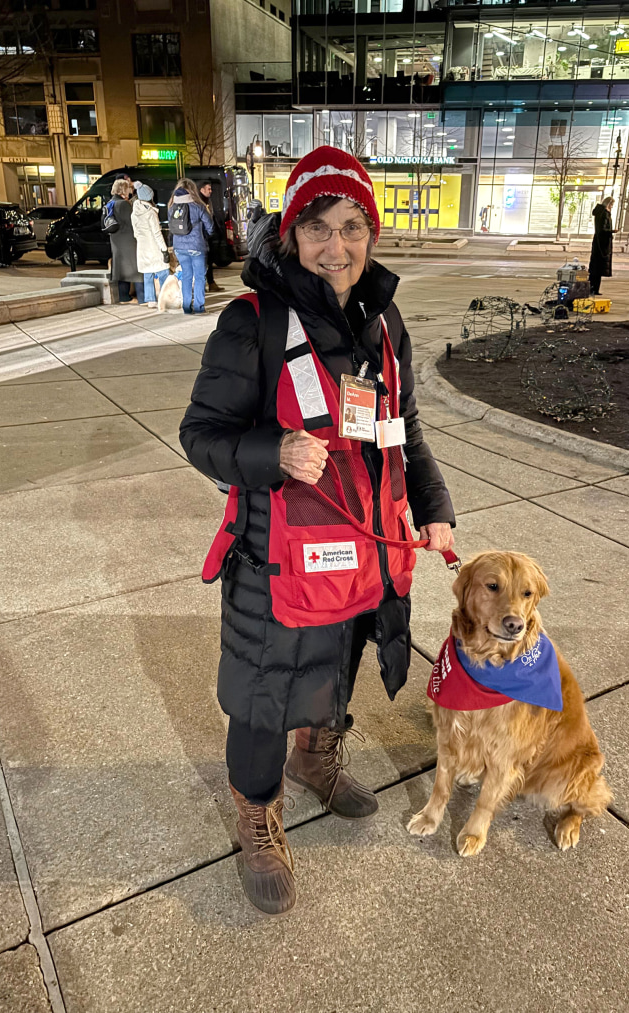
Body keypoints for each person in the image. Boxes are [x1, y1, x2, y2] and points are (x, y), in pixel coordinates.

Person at [179, 146, 455, 916]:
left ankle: (318, 758)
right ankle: (256, 811)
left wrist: (433, 508)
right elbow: (200, 434)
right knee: (265, 695)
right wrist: (273, 451)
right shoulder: (252, 322)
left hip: (361, 552)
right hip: (274, 560)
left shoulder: (383, 317)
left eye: (352, 227)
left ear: (370, 232)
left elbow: (405, 428)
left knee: (336, 671)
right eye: (319, 230)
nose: (337, 247)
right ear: (290, 235)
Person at [168, 179, 215, 314]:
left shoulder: (172, 207)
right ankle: (199, 307)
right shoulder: (198, 206)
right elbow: (210, 226)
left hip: (179, 247)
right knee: (200, 277)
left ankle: (187, 307)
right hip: (196, 246)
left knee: (187, 275)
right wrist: (206, 235)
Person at [131, 181, 170, 308]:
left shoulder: (134, 212)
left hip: (142, 247)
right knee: (163, 271)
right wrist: (164, 249)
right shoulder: (150, 212)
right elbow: (157, 233)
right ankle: (165, 297)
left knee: (148, 273)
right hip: (154, 247)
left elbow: (135, 233)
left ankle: (151, 299)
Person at [108, 178, 144, 304]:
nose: (130, 190)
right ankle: (142, 297)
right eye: (129, 188)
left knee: (121, 269)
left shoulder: (111, 203)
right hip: (128, 241)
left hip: (116, 240)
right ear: (124, 189)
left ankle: (123, 296)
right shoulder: (123, 204)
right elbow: (133, 222)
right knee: (136, 269)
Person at [198, 180, 224, 293]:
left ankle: (211, 282)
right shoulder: (199, 203)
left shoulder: (208, 201)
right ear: (201, 190)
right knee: (204, 262)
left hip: (209, 237)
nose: (210, 191)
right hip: (202, 237)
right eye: (208, 189)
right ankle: (205, 284)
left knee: (209, 261)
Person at [588, 196, 615, 296]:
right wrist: (611, 231)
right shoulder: (604, 214)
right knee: (597, 268)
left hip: (600, 243)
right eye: (611, 205)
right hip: (601, 244)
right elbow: (602, 229)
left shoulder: (601, 213)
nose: (612, 207)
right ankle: (593, 288)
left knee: (596, 268)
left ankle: (594, 288)